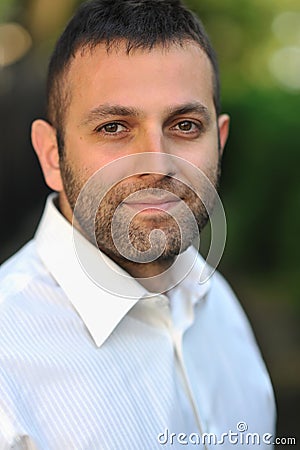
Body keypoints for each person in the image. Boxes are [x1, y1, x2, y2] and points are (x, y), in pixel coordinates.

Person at [0, 0, 275, 449]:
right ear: (52, 154)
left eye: (185, 125)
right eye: (114, 127)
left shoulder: (215, 300)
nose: (157, 163)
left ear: (219, 142)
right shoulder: (7, 366)